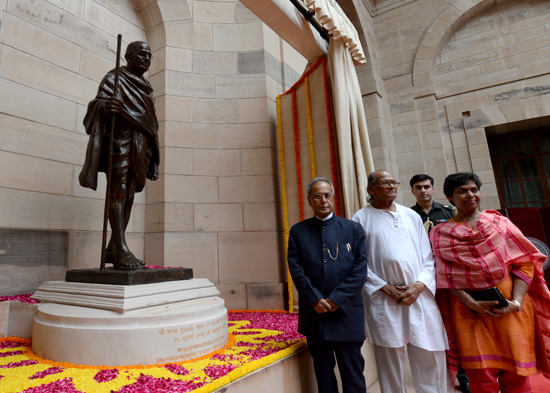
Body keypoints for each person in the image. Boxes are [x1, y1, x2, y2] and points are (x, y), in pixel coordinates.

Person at [430, 172, 550, 393]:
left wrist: (516, 302)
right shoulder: (440, 233)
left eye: (474, 189)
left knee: (517, 377)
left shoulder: (499, 223)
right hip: (469, 313)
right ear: (449, 197)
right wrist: (473, 304)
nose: (470, 195)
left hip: (511, 310)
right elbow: (444, 276)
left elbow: (525, 263)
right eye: (462, 191)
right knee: (481, 378)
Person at [352, 170, 451, 393]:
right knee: (390, 361)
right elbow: (359, 263)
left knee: (429, 354)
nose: (391, 186)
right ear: (371, 189)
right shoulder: (360, 219)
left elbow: (428, 257)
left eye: (393, 182)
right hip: (384, 298)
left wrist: (418, 286)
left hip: (419, 295)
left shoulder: (411, 216)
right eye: (384, 183)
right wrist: (383, 287)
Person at [79, 41, 159, 270]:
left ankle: (114, 247)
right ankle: (122, 249)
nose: (146, 58)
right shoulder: (114, 78)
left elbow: (152, 122)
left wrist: (154, 156)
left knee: (131, 193)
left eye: (149, 55)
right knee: (118, 190)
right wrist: (106, 105)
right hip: (120, 139)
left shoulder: (148, 86)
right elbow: (97, 105)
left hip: (142, 144)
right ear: (127, 56)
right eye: (141, 54)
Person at [287, 177, 368, 393]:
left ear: (333, 198)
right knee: (323, 374)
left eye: (327, 195)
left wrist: (336, 299)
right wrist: (314, 298)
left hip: (346, 313)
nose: (323, 200)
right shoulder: (298, 231)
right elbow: (296, 269)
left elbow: (360, 270)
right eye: (317, 196)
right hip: (315, 314)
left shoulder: (353, 229)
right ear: (309, 200)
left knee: (353, 373)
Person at [409, 174, 469, 393]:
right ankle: (438, 377)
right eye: (418, 187)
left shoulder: (449, 212)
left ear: (433, 189)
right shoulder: (408, 216)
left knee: (455, 327)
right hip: (423, 281)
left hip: (448, 278)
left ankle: (462, 377)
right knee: (433, 331)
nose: (423, 190)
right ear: (413, 191)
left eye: (427, 186)